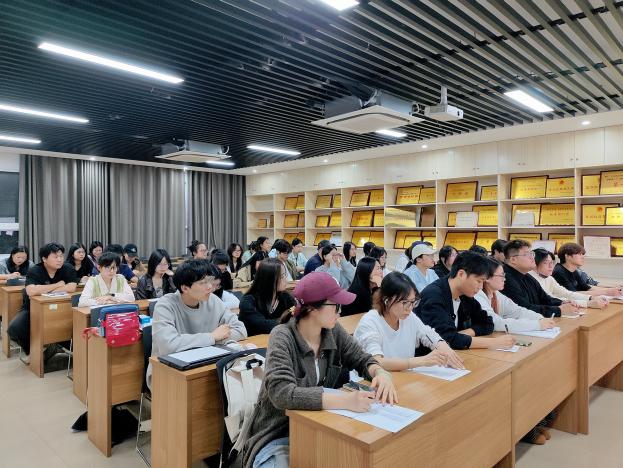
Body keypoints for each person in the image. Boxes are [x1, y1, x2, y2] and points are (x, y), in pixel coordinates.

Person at [241, 272, 396, 468]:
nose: (340, 312)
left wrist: (380, 373)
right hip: (279, 434)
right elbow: (282, 393)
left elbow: (361, 358)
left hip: (321, 426)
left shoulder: (332, 330)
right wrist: (345, 401)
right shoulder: (282, 336)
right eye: (336, 306)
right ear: (313, 308)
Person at [147, 259, 247, 389]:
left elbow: (240, 330)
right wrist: (212, 337)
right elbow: (169, 346)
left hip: (205, 366)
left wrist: (213, 339)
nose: (210, 287)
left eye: (210, 280)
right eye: (202, 283)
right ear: (185, 288)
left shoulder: (213, 300)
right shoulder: (165, 305)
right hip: (167, 372)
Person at [354, 272, 464, 370]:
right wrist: (422, 361)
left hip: (402, 377)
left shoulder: (408, 317)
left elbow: (427, 333)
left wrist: (442, 346)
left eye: (413, 302)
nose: (410, 308)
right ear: (386, 300)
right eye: (405, 302)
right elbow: (376, 362)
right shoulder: (370, 322)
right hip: (372, 381)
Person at [415, 251, 514, 351]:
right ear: (461, 274)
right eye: (479, 281)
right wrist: (493, 342)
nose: (480, 287)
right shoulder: (433, 296)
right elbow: (445, 339)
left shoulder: (464, 295)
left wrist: (464, 334)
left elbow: (488, 323)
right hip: (428, 357)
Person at [8, 242, 77, 357]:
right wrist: (58, 284)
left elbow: (71, 287)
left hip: (61, 308)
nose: (60, 259)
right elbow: (31, 291)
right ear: (44, 259)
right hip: (32, 308)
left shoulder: (67, 268)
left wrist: (43, 289)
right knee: (15, 329)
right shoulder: (35, 270)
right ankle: (35, 351)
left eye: (61, 256)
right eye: (55, 257)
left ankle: (57, 346)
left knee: (67, 327)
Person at [500, 240, 578, 318]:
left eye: (532, 253)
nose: (532, 257)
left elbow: (544, 298)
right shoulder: (505, 279)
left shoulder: (526, 275)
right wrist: (559, 310)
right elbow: (523, 309)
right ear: (513, 260)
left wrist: (562, 303)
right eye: (527, 254)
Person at [476, 258, 556, 333]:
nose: (504, 279)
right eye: (501, 276)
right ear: (487, 278)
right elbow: (496, 323)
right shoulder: (478, 295)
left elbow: (517, 311)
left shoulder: (496, 294)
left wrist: (540, 318)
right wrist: (537, 325)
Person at [530, 248, 607, 309]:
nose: (551, 266)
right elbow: (550, 299)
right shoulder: (531, 279)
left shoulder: (548, 278)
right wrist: (587, 303)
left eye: (552, 262)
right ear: (534, 263)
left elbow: (566, 293)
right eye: (546, 262)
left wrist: (591, 298)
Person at [239, 258, 296, 336]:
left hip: (278, 338)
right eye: (282, 276)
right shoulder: (248, 301)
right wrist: (287, 321)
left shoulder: (285, 297)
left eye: (285, 275)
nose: (286, 280)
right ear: (269, 279)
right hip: (253, 341)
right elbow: (263, 326)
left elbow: (296, 316)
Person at [552, 243, 623, 296]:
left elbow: (586, 288)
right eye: (579, 254)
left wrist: (614, 290)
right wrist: (606, 292)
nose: (583, 257)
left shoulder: (574, 270)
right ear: (567, 256)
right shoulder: (559, 272)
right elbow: (572, 294)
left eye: (583, 254)